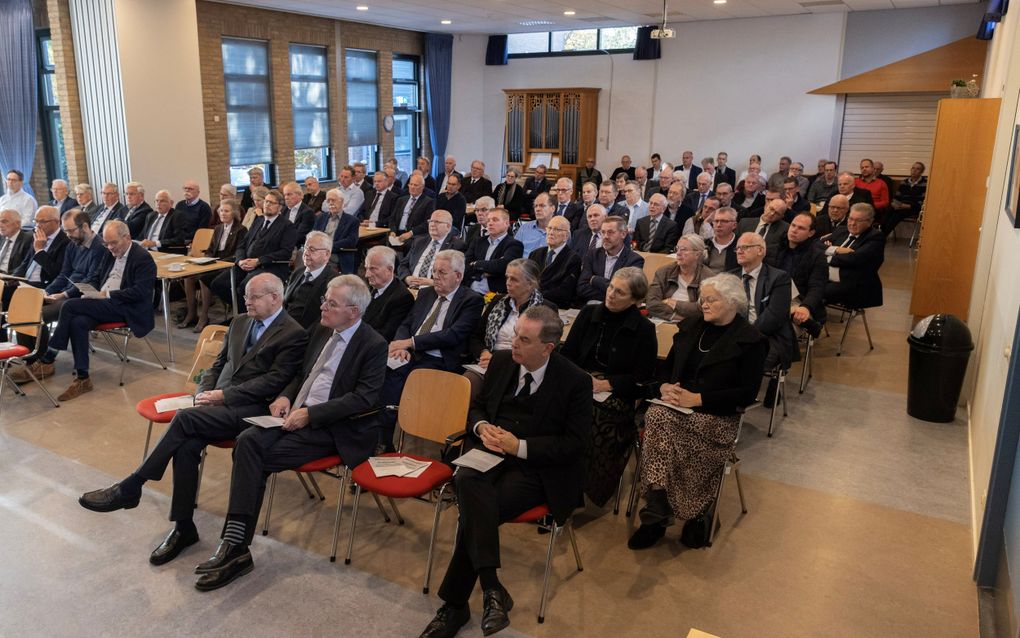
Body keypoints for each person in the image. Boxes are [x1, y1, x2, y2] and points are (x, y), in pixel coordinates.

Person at [77, 273, 308, 568]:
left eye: (254, 297)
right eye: (246, 296)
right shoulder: (239, 322)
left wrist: (222, 396)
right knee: (186, 446)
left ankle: (132, 486)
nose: (246, 301)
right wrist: (204, 392)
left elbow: (274, 381)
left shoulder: (293, 333)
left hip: (253, 410)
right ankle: (183, 527)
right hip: (216, 405)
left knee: (185, 421)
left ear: (275, 298)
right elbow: (217, 365)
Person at [194, 275, 387, 591]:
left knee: (250, 451)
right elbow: (300, 372)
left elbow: (364, 398)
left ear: (353, 311)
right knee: (247, 442)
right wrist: (286, 396)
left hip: (332, 428)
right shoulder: (322, 328)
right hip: (293, 416)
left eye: (332, 304)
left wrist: (311, 414)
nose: (323, 306)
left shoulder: (373, 344)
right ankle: (236, 547)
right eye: (325, 299)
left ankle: (235, 547)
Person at [420, 306, 591, 638]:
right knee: (466, 477)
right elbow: (477, 407)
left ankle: (454, 607)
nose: (514, 344)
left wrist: (519, 447)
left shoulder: (575, 382)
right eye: (515, 335)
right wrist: (482, 427)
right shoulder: (501, 362)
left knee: (477, 507)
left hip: (537, 468)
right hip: (489, 450)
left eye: (524, 340)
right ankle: (492, 587)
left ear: (548, 348)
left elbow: (573, 444)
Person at [627, 274, 767, 550]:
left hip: (716, 418)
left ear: (732, 302)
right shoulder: (691, 326)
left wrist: (698, 399)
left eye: (711, 299)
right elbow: (666, 368)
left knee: (656, 419)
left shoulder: (752, 340)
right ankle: (679, 512)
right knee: (659, 416)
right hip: (674, 408)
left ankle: (657, 512)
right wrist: (665, 386)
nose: (703, 304)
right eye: (703, 299)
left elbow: (746, 394)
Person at [562, 267, 656, 507]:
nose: (611, 294)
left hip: (616, 393)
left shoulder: (644, 329)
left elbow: (643, 377)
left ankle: (578, 490)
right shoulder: (588, 314)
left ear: (635, 300)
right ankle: (548, 479)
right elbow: (567, 355)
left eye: (620, 292)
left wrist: (608, 383)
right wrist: (582, 378)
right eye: (611, 287)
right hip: (579, 381)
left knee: (593, 417)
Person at [37, 220, 157, 401]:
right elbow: (96, 277)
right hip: (104, 302)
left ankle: (49, 356)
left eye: (114, 243)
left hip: (126, 308)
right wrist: (89, 291)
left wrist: (106, 294)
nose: (110, 247)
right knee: (78, 322)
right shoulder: (109, 253)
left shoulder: (143, 258)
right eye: (106, 243)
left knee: (69, 306)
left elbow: (141, 292)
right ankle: (83, 377)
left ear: (127, 237)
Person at [8, 209, 107, 383]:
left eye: (70, 231)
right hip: (65, 293)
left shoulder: (99, 247)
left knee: (37, 315)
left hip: (82, 297)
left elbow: (91, 281)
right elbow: (63, 274)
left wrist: (63, 294)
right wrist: (47, 292)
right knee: (26, 309)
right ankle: (31, 360)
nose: (68, 235)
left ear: (84, 226)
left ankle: (43, 363)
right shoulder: (73, 244)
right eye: (66, 231)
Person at [210, 189, 298, 304]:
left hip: (269, 266)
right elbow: (242, 245)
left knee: (244, 287)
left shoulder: (287, 226)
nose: (267, 205)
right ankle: (242, 311)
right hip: (246, 264)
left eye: (272, 203)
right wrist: (240, 260)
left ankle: (247, 314)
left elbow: (285, 252)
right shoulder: (258, 221)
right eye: (266, 201)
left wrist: (258, 261)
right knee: (218, 284)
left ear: (280, 207)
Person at [732, 232, 797, 373]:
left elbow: (774, 317)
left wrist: (744, 336)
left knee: (744, 361)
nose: (739, 251)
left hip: (767, 336)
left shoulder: (779, 278)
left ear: (760, 250)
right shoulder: (730, 276)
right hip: (732, 334)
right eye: (737, 248)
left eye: (745, 247)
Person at [469, 258, 550, 371]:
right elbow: (476, 336)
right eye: (507, 277)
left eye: (514, 280)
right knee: (467, 382)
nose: (508, 283)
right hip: (487, 362)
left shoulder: (545, 309)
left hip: (521, 367)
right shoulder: (498, 301)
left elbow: (540, 350)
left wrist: (498, 361)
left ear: (530, 284)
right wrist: (484, 353)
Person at [178, 199, 247, 331]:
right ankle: (192, 313)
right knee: (188, 276)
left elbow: (238, 253)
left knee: (205, 277)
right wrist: (206, 258)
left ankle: (204, 316)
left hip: (228, 264)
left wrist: (216, 262)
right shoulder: (218, 228)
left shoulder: (241, 230)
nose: (223, 213)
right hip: (213, 262)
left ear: (233, 213)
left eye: (226, 211)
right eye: (221, 210)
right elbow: (210, 250)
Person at [771, 212, 827, 338]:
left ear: (811, 233)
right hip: (771, 296)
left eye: (801, 228)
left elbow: (817, 287)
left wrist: (806, 307)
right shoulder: (774, 248)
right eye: (793, 225)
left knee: (780, 334)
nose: (794, 230)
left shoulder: (817, 256)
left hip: (799, 301)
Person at [824, 203, 885, 309]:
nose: (852, 223)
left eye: (858, 221)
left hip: (853, 282)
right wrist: (836, 249)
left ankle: (813, 320)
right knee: (801, 282)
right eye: (850, 218)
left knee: (817, 291)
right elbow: (816, 245)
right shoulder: (841, 230)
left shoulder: (875, 237)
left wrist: (827, 256)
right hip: (826, 275)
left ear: (869, 222)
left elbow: (855, 258)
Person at [646, 234, 717, 321]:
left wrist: (674, 303)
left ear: (697, 255)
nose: (678, 253)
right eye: (677, 249)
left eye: (684, 250)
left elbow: (702, 308)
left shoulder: (708, 277)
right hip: (661, 319)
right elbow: (651, 304)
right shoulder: (664, 272)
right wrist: (677, 317)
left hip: (693, 326)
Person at [577, 216, 645, 304]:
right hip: (591, 306)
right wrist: (611, 293)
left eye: (610, 232)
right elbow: (582, 288)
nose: (605, 236)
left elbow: (626, 292)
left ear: (623, 234)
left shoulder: (635, 260)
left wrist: (596, 280)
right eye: (603, 232)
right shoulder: (592, 255)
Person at [283, 231, 338, 330]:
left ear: (326, 254)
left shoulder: (333, 282)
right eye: (305, 248)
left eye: (312, 250)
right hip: (283, 325)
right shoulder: (298, 272)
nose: (306, 253)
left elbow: (324, 319)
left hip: (305, 332)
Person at [398, 210, 466, 288]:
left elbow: (456, 276)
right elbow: (403, 265)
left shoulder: (456, 246)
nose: (432, 225)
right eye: (431, 221)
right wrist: (407, 278)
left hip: (435, 290)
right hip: (410, 287)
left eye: (437, 222)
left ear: (448, 227)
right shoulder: (419, 241)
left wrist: (434, 282)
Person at [464, 208, 523, 295]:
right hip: (469, 290)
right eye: (488, 220)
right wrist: (489, 268)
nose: (490, 223)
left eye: (495, 220)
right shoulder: (478, 242)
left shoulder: (514, 244)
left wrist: (476, 264)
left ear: (506, 223)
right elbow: (465, 264)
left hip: (495, 294)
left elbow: (503, 266)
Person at [363, 245, 414, 341]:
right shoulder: (370, 285)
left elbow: (386, 335)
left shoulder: (402, 298)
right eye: (366, 268)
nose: (367, 274)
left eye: (373, 269)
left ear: (390, 270)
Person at [528, 215, 581, 308]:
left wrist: (535, 295)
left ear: (566, 236)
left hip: (555, 306)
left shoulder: (573, 259)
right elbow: (527, 279)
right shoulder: (535, 254)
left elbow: (565, 291)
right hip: (530, 303)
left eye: (557, 229)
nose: (551, 232)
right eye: (549, 228)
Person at [312, 188, 359, 273]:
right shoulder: (321, 218)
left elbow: (351, 241)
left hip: (337, 253)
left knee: (321, 265)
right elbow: (314, 235)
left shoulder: (352, 220)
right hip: (319, 252)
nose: (330, 203)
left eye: (333, 200)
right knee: (304, 259)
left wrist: (328, 247)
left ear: (342, 201)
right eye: (328, 201)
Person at [884, 161, 928, 237]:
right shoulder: (904, 182)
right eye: (913, 168)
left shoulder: (925, 183)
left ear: (921, 172)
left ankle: (883, 236)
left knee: (897, 214)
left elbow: (923, 201)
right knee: (888, 210)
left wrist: (908, 206)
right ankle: (880, 233)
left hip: (914, 207)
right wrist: (894, 204)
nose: (914, 170)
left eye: (917, 169)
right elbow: (897, 196)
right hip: (901, 205)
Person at [390, 173, 436, 242]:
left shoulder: (428, 202)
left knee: (408, 245)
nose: (412, 187)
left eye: (415, 185)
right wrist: (392, 231)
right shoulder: (401, 200)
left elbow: (427, 223)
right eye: (411, 184)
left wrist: (411, 233)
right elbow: (392, 218)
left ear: (422, 187)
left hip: (414, 235)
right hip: (397, 234)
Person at [514, 192, 554, 257]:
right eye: (535, 206)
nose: (537, 209)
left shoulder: (560, 230)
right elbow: (514, 251)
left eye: (542, 205)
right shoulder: (524, 228)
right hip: (524, 265)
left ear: (552, 208)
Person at [281, 181, 317, 246]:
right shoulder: (284, 210)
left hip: (297, 246)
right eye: (285, 195)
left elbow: (300, 236)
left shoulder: (307, 212)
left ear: (299, 195)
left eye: (289, 194)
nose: (286, 198)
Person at [704, 207, 738, 272]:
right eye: (716, 221)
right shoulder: (705, 243)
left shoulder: (740, 245)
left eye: (724, 221)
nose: (718, 225)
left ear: (734, 225)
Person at [0, 208, 33, 275]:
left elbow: (24, 266)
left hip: (10, 278)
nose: (0, 225)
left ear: (17, 224)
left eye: (4, 221)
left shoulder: (28, 239)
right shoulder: (1, 237)